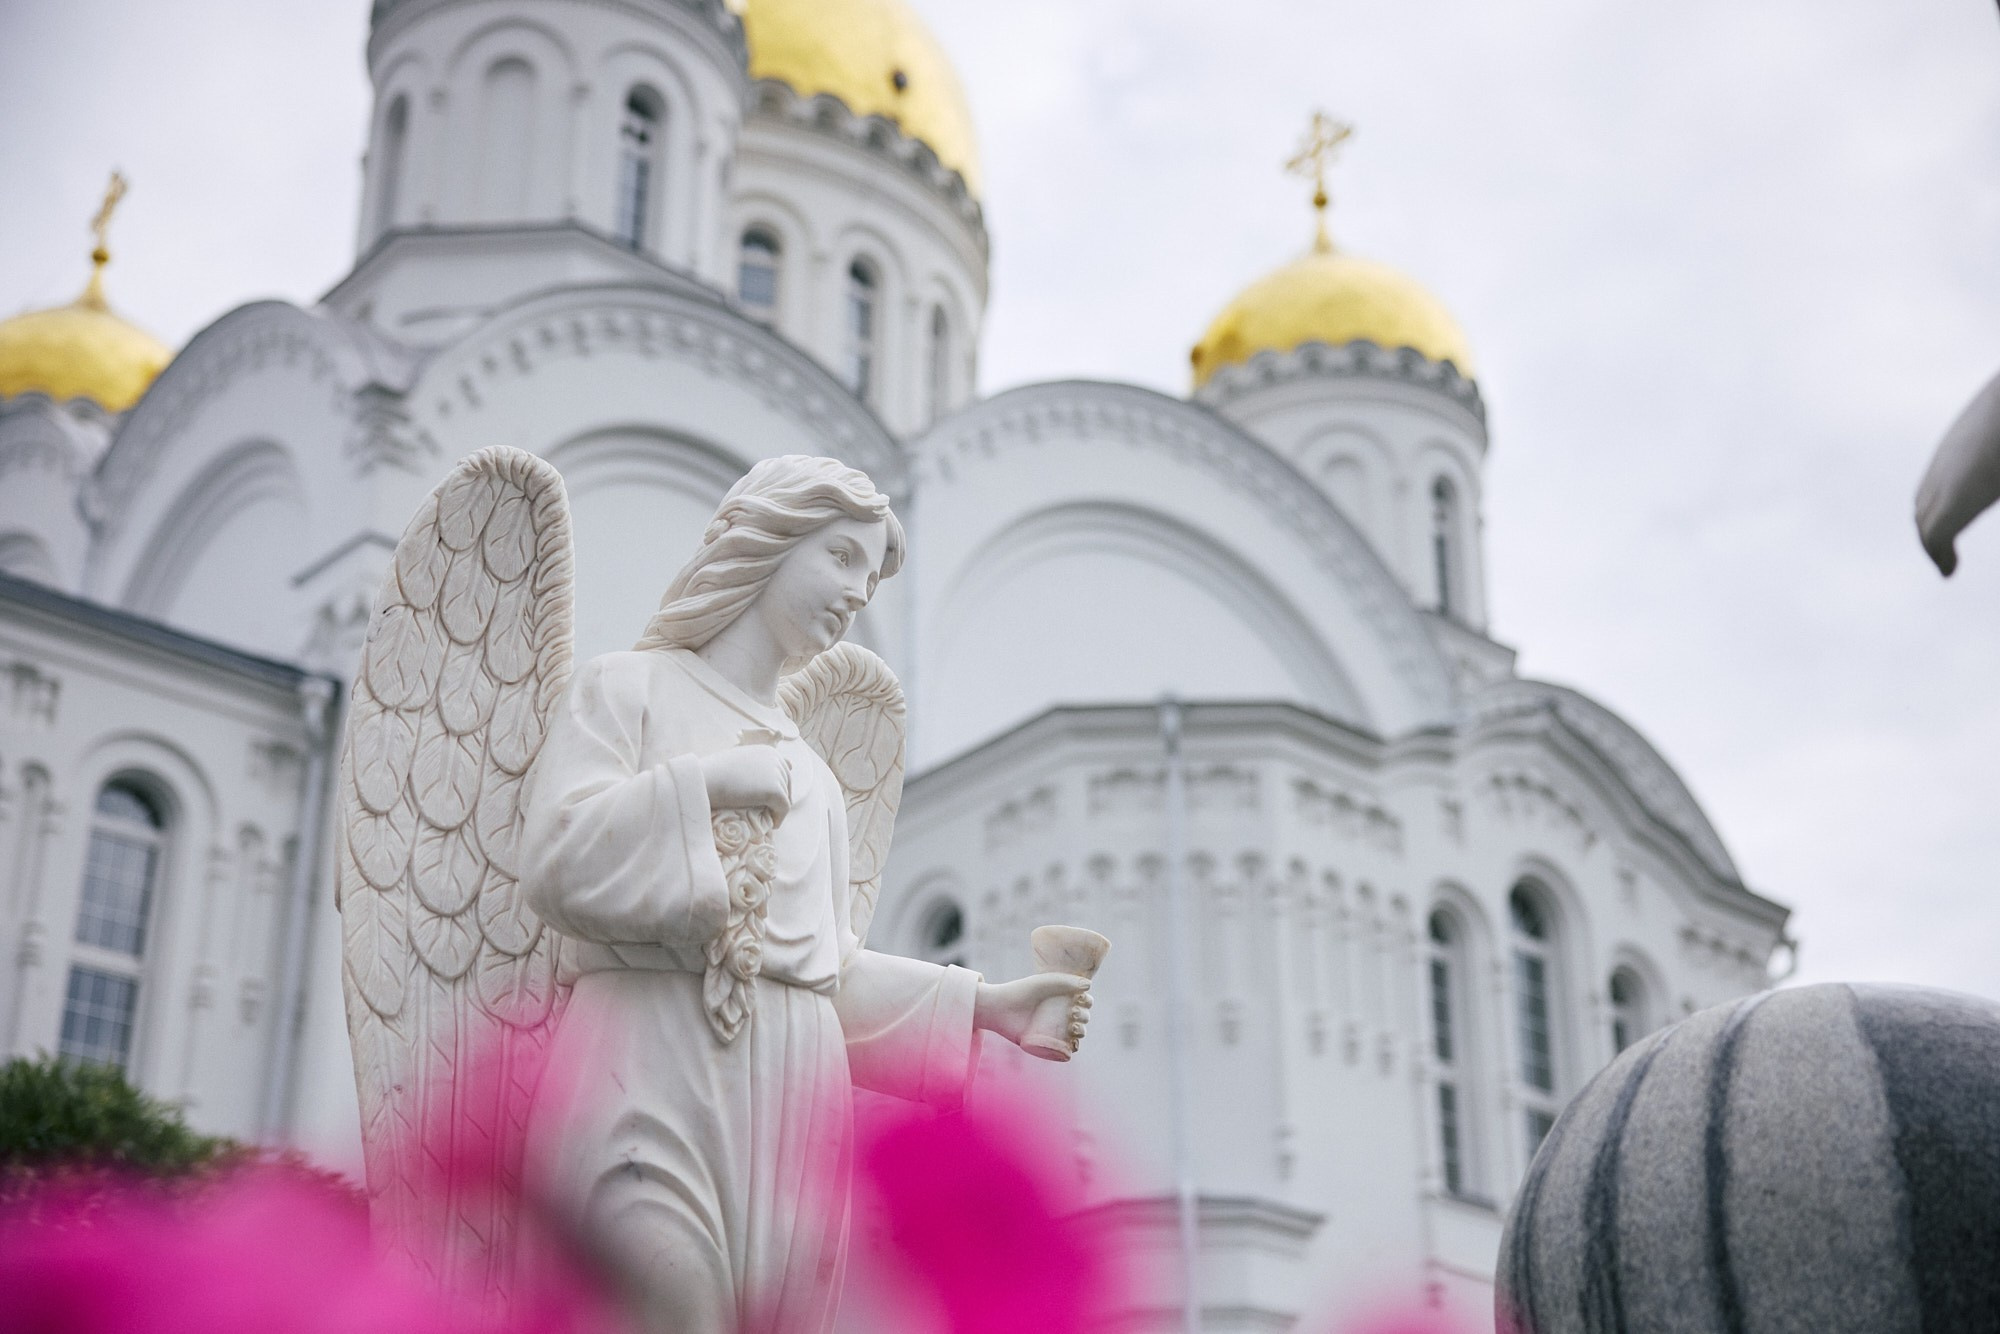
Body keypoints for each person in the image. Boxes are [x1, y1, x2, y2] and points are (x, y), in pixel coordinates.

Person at [519, 455, 1089, 1333]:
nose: (856, 593)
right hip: (646, 1068)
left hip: (790, 1106)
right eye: (841, 557)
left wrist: (989, 1007)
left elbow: (819, 973)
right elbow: (556, 864)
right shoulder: (625, 690)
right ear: (770, 540)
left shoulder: (815, 778)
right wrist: (706, 786)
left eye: (869, 576)